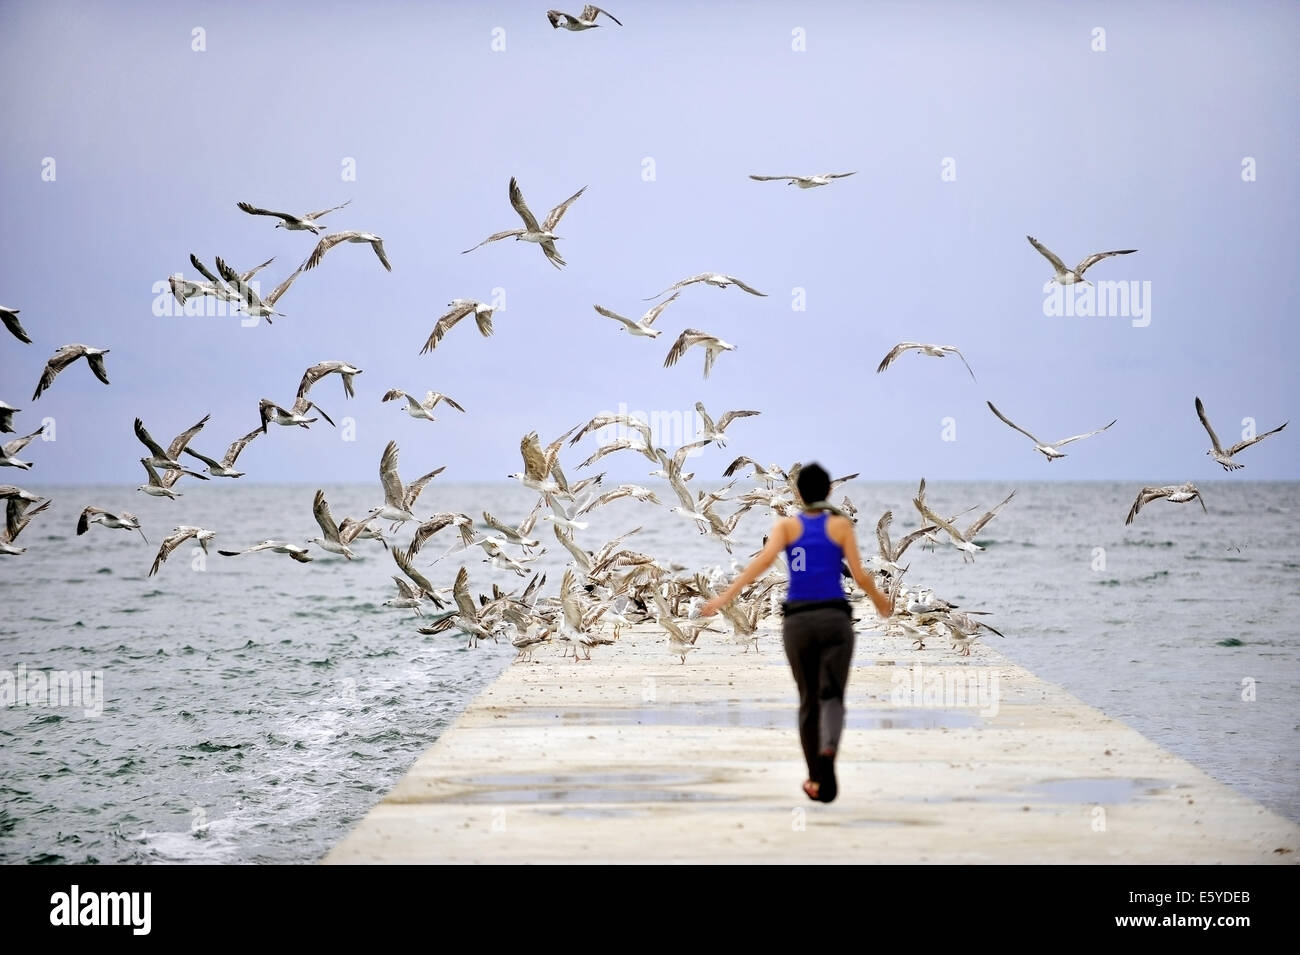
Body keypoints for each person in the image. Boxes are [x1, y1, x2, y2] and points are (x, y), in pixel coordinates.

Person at [700, 463, 892, 802]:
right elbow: (860, 576)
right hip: (834, 619)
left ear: (798, 493)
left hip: (799, 622)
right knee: (831, 694)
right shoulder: (841, 525)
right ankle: (829, 750)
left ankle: (816, 778)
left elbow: (759, 565)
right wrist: (880, 601)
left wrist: (724, 598)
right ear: (830, 491)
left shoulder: (787, 526)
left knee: (808, 702)